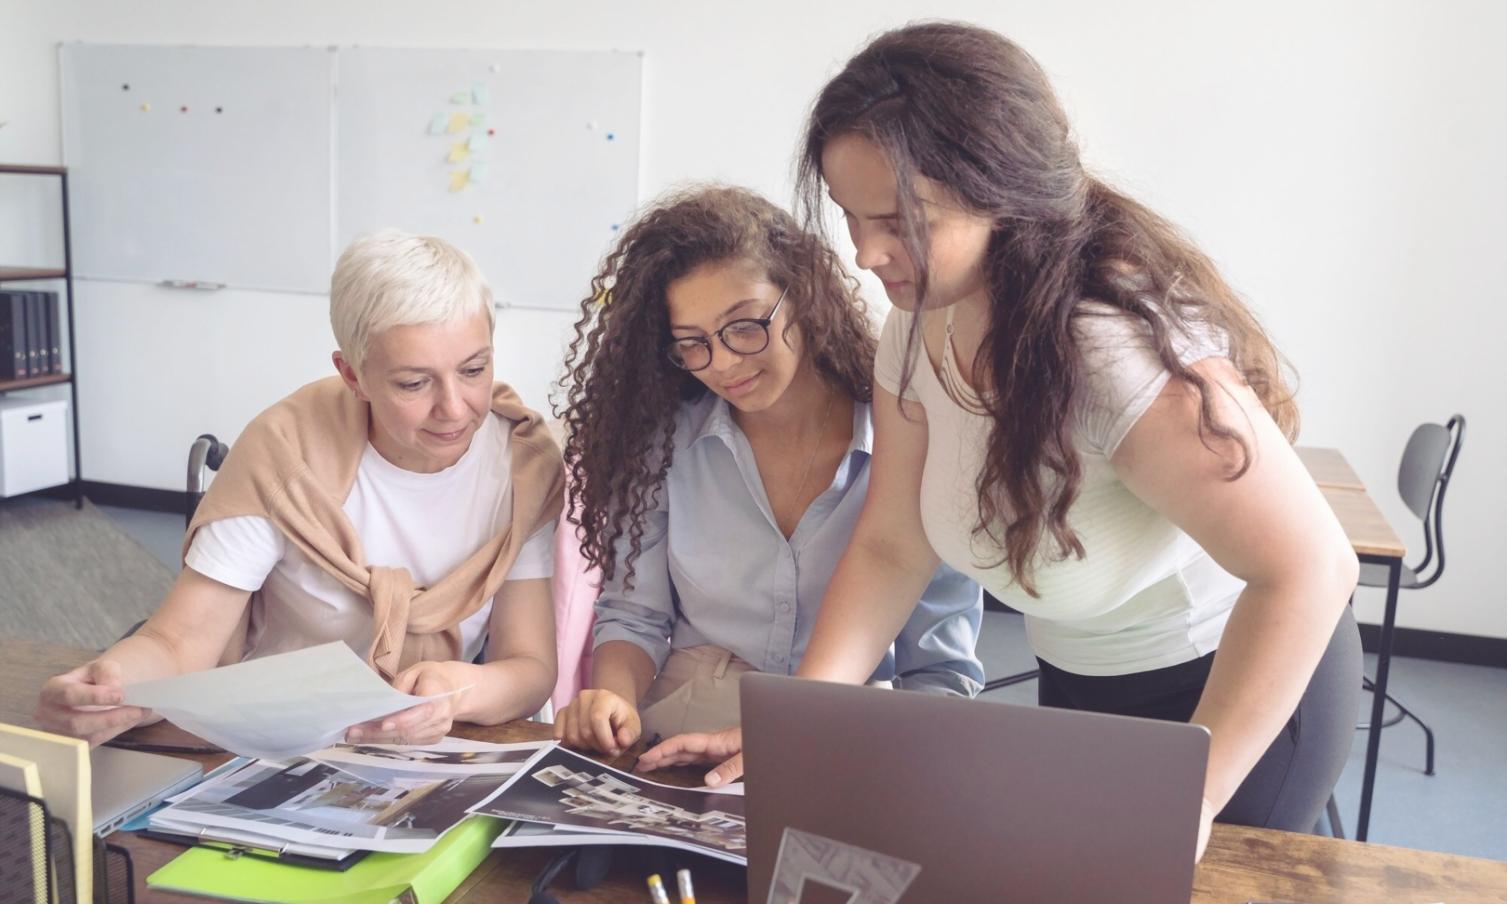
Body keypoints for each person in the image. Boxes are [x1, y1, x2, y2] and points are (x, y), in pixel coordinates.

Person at [637, 24, 1362, 859]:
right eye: (849, 215)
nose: (866, 253)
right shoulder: (914, 330)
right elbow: (889, 547)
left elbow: (1311, 568)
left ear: (999, 192)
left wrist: (1193, 798)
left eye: (898, 220)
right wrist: (798, 727)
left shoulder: (1109, 352)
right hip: (1085, 675)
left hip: (1237, 691)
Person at [36, 230, 562, 747]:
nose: (454, 407)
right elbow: (180, 640)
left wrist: (455, 691)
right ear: (352, 375)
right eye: (413, 383)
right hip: (267, 736)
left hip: (426, 745)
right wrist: (108, 687)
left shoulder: (523, 465)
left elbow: (530, 665)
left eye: (474, 369)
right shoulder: (285, 452)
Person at [552, 185, 982, 756]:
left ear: (802, 296)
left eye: (745, 325)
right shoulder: (665, 443)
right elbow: (634, 616)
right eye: (692, 343)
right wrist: (613, 699)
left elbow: (941, 676)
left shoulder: (911, 444)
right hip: (685, 722)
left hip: (849, 733)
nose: (724, 362)